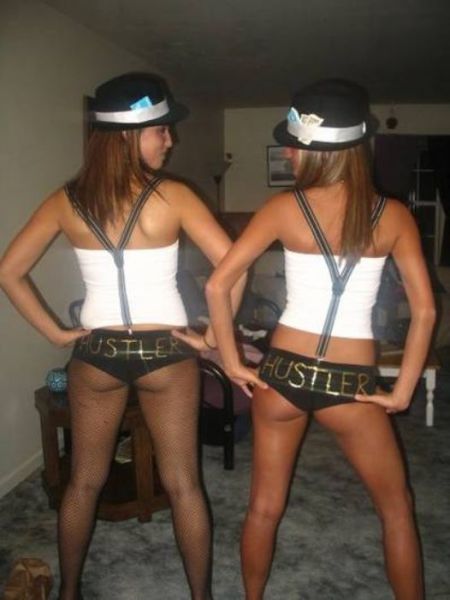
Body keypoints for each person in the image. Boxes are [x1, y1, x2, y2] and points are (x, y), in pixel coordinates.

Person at [0, 72, 245, 600]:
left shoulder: (66, 201)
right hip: (166, 355)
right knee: (184, 485)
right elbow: (234, 268)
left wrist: (57, 334)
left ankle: (69, 594)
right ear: (130, 134)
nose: (170, 140)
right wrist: (212, 339)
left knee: (83, 482)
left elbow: (8, 271)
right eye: (161, 130)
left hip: (97, 355)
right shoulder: (174, 196)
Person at [204, 79, 435, 600]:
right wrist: (402, 391)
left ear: (317, 150)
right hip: (350, 386)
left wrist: (233, 362)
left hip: (281, 375)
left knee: (264, 507)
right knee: (396, 509)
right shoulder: (394, 216)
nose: (288, 151)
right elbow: (424, 310)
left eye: (294, 144)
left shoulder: (282, 208)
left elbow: (218, 286)